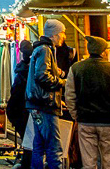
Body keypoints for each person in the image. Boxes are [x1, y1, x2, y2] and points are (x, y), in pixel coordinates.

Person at [65, 36, 110, 169]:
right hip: (108, 121)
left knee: (89, 163)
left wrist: (75, 114)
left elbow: (69, 95)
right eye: (107, 49)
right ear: (103, 51)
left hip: (86, 120)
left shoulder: (76, 68)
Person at [26, 19, 67, 169]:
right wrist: (63, 82)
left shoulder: (41, 49)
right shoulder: (45, 50)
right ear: (54, 34)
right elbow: (42, 76)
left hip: (37, 104)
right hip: (45, 105)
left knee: (39, 144)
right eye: (62, 33)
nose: (64, 36)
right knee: (53, 147)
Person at [6, 40, 33, 169]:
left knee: (27, 140)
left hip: (17, 111)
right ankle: (26, 164)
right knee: (30, 140)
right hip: (23, 111)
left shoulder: (20, 71)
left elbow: (14, 92)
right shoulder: (29, 73)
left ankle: (25, 163)